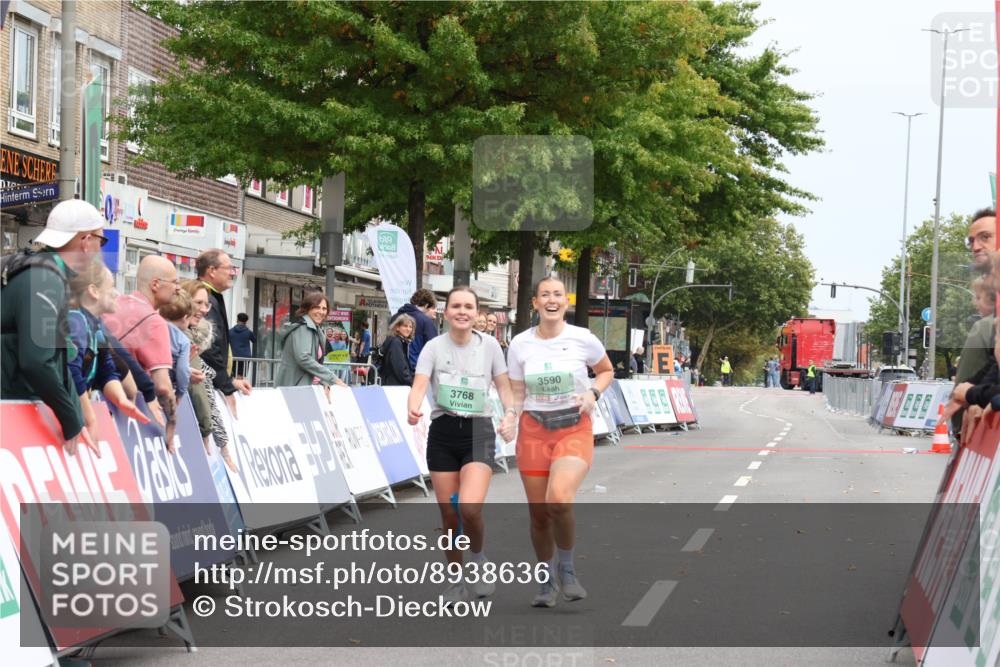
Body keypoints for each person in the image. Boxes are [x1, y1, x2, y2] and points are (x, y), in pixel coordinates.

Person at [507, 276, 614, 608]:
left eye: (557, 294)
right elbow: (517, 392)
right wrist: (510, 416)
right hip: (534, 430)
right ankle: (546, 580)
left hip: (573, 427)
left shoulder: (583, 338)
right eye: (545, 295)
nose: (551, 300)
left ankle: (566, 570)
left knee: (559, 500)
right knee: (539, 514)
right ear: (535, 303)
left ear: (566, 302)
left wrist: (592, 393)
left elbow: (606, 371)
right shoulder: (520, 344)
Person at [407, 286, 515, 605]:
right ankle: (455, 581)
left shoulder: (490, 346)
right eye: (456, 306)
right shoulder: (433, 347)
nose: (462, 312)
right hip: (443, 431)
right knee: (449, 515)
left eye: (469, 306)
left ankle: (478, 560)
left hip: (478, 430)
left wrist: (510, 413)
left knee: (468, 508)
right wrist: (413, 407)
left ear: (477, 313)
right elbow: (419, 384)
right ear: (446, 312)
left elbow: (504, 386)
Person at [1, 199, 109, 454]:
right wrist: (71, 420)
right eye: (101, 241)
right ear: (86, 241)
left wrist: (77, 417)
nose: (100, 250)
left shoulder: (42, 270)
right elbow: (37, 361)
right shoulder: (45, 277)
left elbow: (58, 359)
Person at [66, 258, 150, 441]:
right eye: (111, 286)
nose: (116, 293)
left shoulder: (94, 323)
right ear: (93, 291)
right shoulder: (75, 320)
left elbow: (106, 368)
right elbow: (70, 372)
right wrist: (90, 418)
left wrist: (121, 400)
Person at [102, 254, 181, 447]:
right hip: (128, 412)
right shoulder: (155, 322)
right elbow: (163, 387)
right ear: (155, 284)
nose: (178, 288)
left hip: (101, 400)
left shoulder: (114, 303)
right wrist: (172, 421)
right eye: (174, 282)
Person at [950, 208, 997, 440]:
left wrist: (976, 395)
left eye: (985, 237)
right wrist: (977, 395)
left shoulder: (986, 327)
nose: (976, 247)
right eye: (971, 241)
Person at [181, 279, 235, 470]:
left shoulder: (191, 337)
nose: (204, 309)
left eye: (206, 304)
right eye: (198, 303)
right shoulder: (184, 338)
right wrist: (206, 431)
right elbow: (200, 391)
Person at [196, 249, 252, 417]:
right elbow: (209, 348)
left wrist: (231, 381)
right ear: (212, 270)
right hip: (206, 386)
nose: (232, 273)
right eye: (228, 268)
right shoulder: (207, 298)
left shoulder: (212, 296)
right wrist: (227, 386)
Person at [275, 291, 348, 389]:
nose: (321, 312)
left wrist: (323, 382)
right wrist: (333, 378)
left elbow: (314, 364)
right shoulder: (303, 329)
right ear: (307, 309)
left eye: (324, 308)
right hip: (295, 389)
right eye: (316, 307)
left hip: (308, 388)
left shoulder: (316, 331)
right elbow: (304, 358)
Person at [158, 291, 194, 398]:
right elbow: (182, 370)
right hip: (166, 385)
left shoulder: (153, 328)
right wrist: (180, 393)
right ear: (185, 317)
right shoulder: (183, 341)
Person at [392, 288, 439, 371]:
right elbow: (434, 350)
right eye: (432, 307)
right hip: (415, 369)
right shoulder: (426, 322)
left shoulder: (395, 317)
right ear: (426, 305)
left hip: (393, 368)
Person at [379, 314, 415, 386]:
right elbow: (400, 368)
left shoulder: (399, 341)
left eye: (410, 327)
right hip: (395, 385)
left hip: (393, 384)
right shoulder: (396, 343)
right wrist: (411, 382)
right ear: (397, 327)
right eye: (405, 326)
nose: (408, 329)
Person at [229, 313, 255, 378]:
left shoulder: (230, 331)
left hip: (233, 356)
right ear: (246, 321)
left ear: (237, 320)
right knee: (242, 375)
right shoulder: (248, 332)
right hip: (245, 357)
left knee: (233, 375)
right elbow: (254, 340)